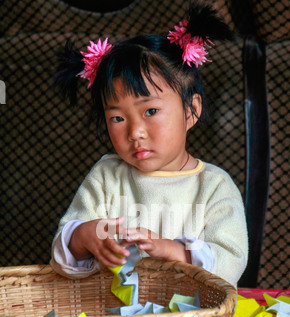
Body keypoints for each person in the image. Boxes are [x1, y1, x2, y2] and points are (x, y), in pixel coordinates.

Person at [50, 1, 248, 289]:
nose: (135, 132)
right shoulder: (107, 177)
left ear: (190, 111)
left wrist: (176, 252)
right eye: (117, 117)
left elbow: (231, 261)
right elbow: (62, 259)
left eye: (151, 111)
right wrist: (82, 237)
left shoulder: (214, 186)